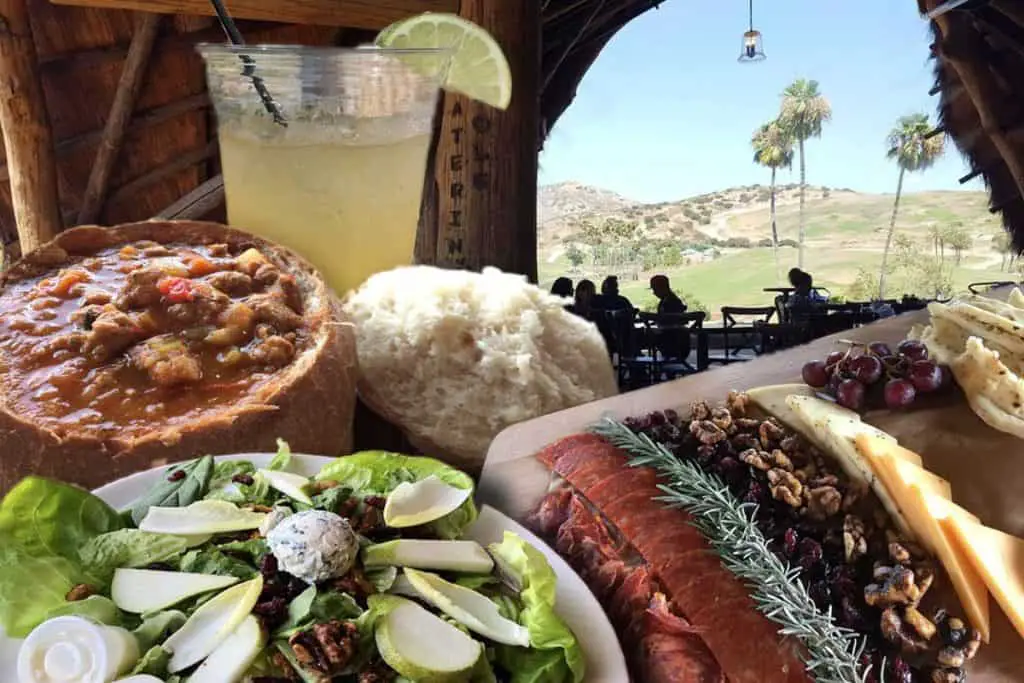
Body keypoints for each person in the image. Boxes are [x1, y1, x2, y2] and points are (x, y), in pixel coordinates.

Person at [648, 275, 690, 361]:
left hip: (671, 341)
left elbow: (669, 322)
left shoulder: (668, 302)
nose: (654, 293)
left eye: (655, 289)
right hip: (678, 339)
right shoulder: (671, 300)